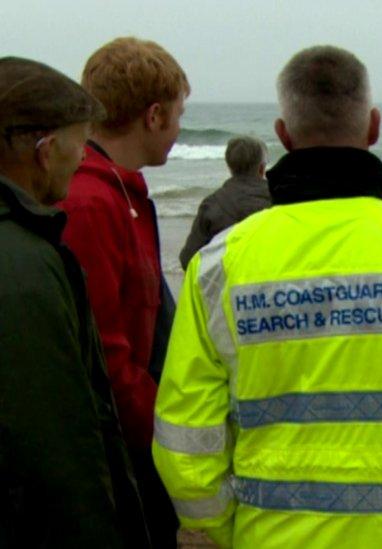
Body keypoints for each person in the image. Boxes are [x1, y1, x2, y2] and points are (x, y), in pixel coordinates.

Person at [153, 45, 382, 548]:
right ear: (373, 127)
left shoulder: (219, 265)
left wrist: (228, 525)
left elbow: (187, 437)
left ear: (282, 136)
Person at [0, 57, 151, 547]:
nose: (84, 159)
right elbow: (59, 440)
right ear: (45, 150)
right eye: (79, 144)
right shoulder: (23, 264)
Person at [58, 36, 188, 548]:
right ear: (154, 116)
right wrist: (169, 438)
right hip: (121, 449)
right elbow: (105, 351)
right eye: (179, 114)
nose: (179, 129)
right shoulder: (91, 202)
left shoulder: (122, 190)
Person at [179, 135, 271, 269]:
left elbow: (187, 259)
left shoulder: (212, 204)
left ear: (229, 166)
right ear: (262, 168)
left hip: (228, 284)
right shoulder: (281, 199)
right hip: (276, 283)